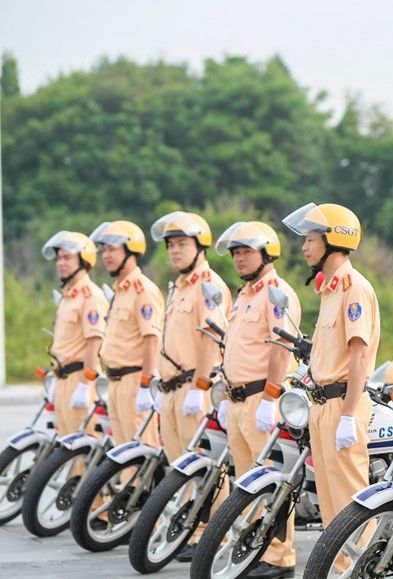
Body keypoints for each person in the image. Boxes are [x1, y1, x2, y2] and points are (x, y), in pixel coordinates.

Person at [282, 203, 379, 571]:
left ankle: (361, 570)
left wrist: (350, 415)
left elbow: (358, 357)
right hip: (323, 405)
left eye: (310, 239)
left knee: (351, 503)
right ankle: (341, 569)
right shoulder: (330, 289)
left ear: (334, 241)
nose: (304, 247)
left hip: (343, 404)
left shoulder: (354, 288)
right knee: (330, 505)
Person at [216, 221, 301, 579]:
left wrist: (270, 397)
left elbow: (281, 348)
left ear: (267, 252)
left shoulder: (276, 292)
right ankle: (255, 548)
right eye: (235, 253)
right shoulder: (245, 294)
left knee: (272, 482)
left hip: (259, 401)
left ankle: (279, 557)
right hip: (236, 401)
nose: (238, 258)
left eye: (246, 251)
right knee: (244, 482)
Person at [149, 210, 231, 562]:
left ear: (200, 246)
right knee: (180, 467)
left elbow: (212, 340)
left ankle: (215, 534)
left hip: (193, 388)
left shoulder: (209, 286)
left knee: (209, 468)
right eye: (170, 245)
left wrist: (199, 388)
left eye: (182, 243)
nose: (174, 251)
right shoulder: (179, 286)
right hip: (170, 389)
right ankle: (192, 531)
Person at [89, 221, 163, 448]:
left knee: (139, 451)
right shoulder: (121, 290)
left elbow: (151, 340)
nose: (106, 256)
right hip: (116, 382)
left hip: (134, 381)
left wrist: (145, 386)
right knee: (122, 454)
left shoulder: (143, 290)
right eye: (105, 250)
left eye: (113, 249)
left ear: (131, 250)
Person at [41, 231, 109, 436]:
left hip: (80, 379)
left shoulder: (91, 296)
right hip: (63, 379)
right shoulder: (68, 296)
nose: (60, 263)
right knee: (66, 448)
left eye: (67, 257)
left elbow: (94, 342)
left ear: (84, 260)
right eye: (59, 258)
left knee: (82, 446)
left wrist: (85, 385)